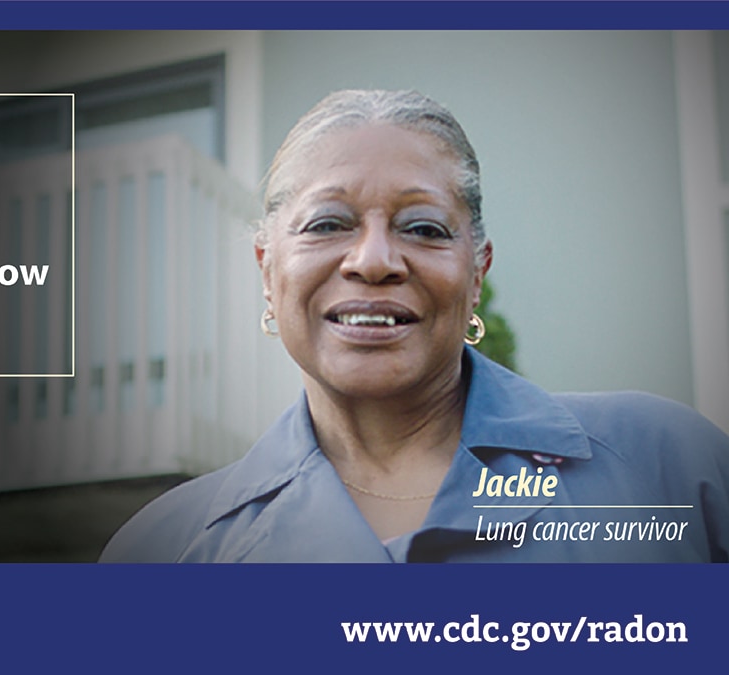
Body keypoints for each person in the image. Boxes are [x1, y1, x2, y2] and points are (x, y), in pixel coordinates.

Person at [100, 89, 729, 563]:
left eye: (423, 228)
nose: (373, 260)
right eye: (327, 223)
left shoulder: (667, 468)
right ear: (268, 269)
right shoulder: (164, 550)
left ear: (476, 272)